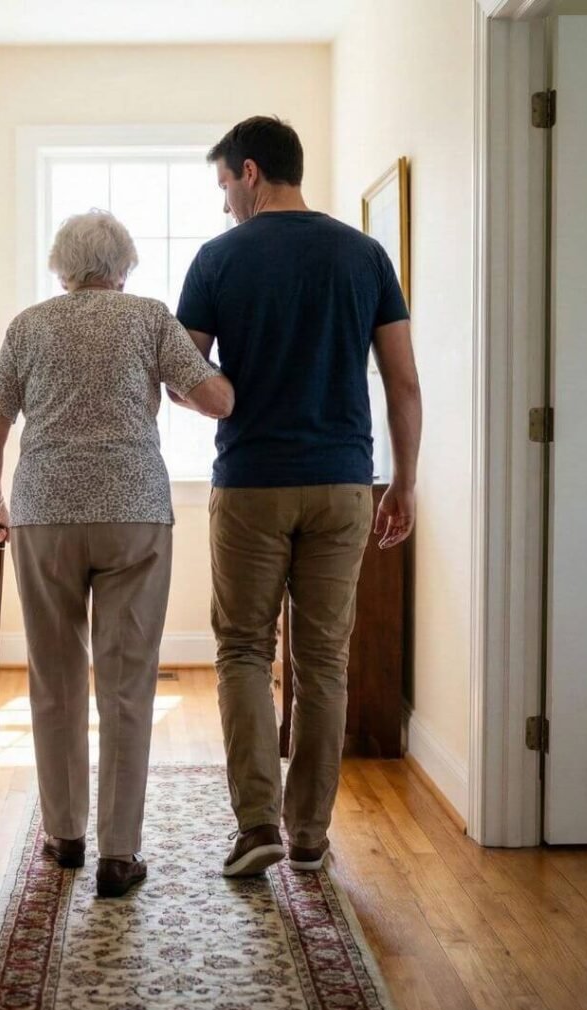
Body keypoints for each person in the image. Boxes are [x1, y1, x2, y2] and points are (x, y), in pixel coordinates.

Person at [175, 116, 422, 877]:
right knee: (323, 660)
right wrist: (404, 481)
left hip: (252, 483)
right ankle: (309, 834)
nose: (223, 205)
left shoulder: (217, 259)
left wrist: (217, 397)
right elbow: (403, 383)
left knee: (244, 649)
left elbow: (188, 377)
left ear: (251, 172)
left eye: (224, 186)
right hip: (344, 480)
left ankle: (257, 827)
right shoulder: (365, 254)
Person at [0, 210, 234, 897]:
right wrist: (220, 383)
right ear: (123, 267)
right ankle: (120, 854)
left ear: (63, 267)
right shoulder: (147, 317)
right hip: (133, 517)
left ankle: (65, 836)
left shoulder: (28, 325)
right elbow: (209, 396)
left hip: (45, 516)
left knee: (55, 678)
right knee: (127, 684)